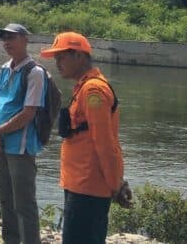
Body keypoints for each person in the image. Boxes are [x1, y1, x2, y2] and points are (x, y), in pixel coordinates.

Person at [40, 31, 132, 244]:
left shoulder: (93, 91)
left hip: (88, 187)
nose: (57, 63)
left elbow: (105, 143)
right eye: (56, 59)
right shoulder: (84, 87)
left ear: (79, 56)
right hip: (80, 184)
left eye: (61, 57)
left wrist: (116, 185)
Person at [0, 23, 44, 244]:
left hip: (21, 147)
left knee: (24, 203)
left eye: (12, 37)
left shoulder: (34, 73)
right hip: (0, 144)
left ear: (25, 40)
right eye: (4, 38)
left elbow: (28, 113)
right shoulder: (4, 68)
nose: (7, 42)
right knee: (6, 201)